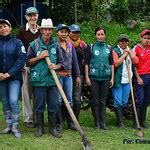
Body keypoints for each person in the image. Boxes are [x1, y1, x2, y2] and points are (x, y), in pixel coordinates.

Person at [27, 18, 63, 138]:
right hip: (39, 81)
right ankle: (40, 128)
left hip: (53, 81)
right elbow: (28, 62)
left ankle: (52, 128)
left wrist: (56, 66)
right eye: (45, 29)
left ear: (52, 31)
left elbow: (62, 63)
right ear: (41, 30)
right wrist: (40, 57)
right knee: (39, 105)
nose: (47, 31)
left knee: (53, 105)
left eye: (49, 29)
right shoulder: (34, 45)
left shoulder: (56, 45)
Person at [0, 19, 26, 138]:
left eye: (5, 26)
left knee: (13, 100)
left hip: (14, 77)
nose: (2, 29)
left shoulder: (17, 42)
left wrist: (9, 73)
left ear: (10, 28)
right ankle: (9, 125)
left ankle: (15, 127)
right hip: (1, 78)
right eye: (0, 27)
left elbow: (21, 59)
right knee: (5, 101)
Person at [85, 27, 114, 130]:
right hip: (94, 78)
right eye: (98, 34)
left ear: (105, 35)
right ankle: (97, 122)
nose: (100, 36)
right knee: (95, 101)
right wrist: (87, 77)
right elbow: (86, 63)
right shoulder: (91, 47)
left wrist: (112, 78)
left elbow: (111, 64)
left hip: (105, 78)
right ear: (95, 35)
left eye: (102, 34)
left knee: (103, 101)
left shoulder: (109, 48)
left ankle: (103, 123)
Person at [16, 7, 41, 128]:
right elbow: (18, 49)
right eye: (30, 16)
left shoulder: (42, 31)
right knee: (26, 93)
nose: (32, 18)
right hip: (26, 66)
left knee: (38, 93)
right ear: (26, 17)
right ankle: (28, 119)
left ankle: (37, 117)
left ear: (37, 16)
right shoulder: (21, 31)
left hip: (40, 67)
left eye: (34, 15)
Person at [56, 24, 80, 131]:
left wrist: (78, 75)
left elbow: (74, 61)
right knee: (59, 100)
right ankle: (59, 123)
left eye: (65, 32)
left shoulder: (70, 45)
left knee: (69, 99)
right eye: (61, 32)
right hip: (58, 76)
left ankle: (70, 122)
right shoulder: (54, 45)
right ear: (57, 33)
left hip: (69, 76)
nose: (63, 34)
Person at [112, 34, 139, 128]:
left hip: (128, 80)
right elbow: (116, 63)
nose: (124, 43)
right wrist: (124, 54)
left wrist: (130, 53)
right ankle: (120, 123)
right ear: (118, 42)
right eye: (121, 41)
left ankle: (122, 118)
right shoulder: (115, 51)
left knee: (124, 101)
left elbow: (136, 61)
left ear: (128, 42)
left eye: (125, 41)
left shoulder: (130, 50)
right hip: (118, 80)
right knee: (118, 101)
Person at [68, 24, 87, 120]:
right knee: (67, 97)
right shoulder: (65, 43)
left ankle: (75, 119)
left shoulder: (83, 44)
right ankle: (66, 118)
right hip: (67, 74)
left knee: (76, 97)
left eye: (77, 32)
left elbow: (86, 60)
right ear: (69, 32)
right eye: (73, 32)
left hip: (79, 74)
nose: (75, 34)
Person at [133, 29, 150, 128]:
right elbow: (134, 65)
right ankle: (136, 122)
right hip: (140, 77)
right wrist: (138, 78)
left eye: (148, 38)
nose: (147, 40)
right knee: (140, 100)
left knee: (147, 100)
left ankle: (142, 121)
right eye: (145, 38)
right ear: (140, 38)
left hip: (149, 76)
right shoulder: (136, 48)